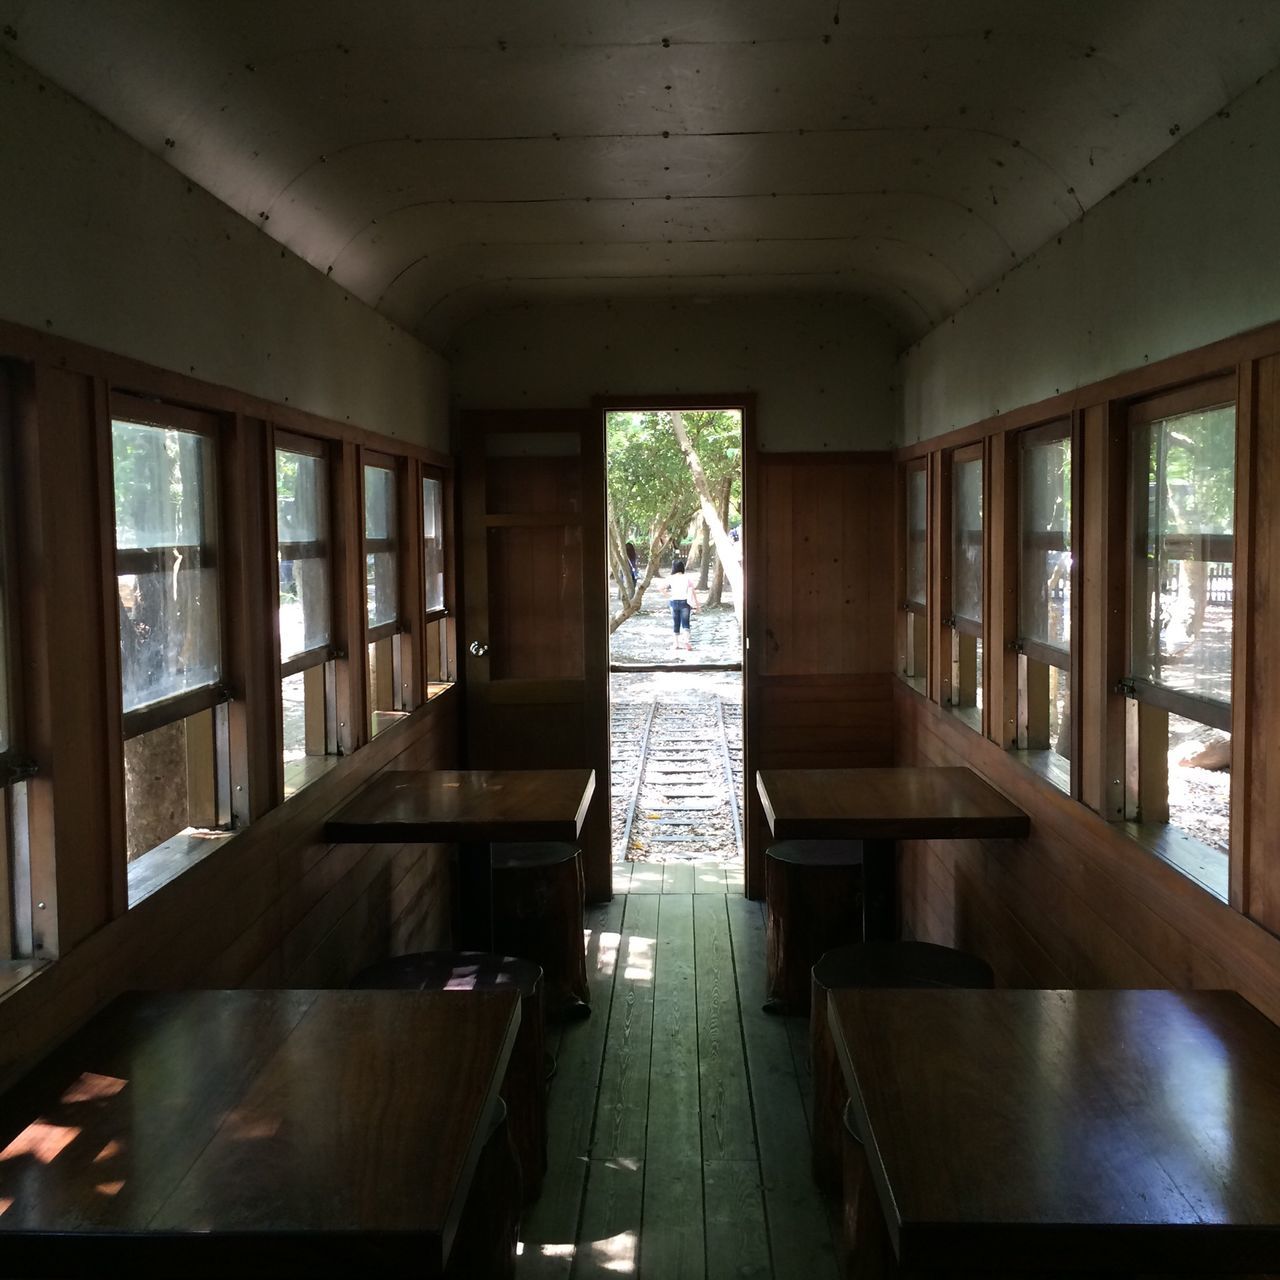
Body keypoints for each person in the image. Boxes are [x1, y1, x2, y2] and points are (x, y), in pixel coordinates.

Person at [664, 556, 700, 651]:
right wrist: (697, 605)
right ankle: (686, 641)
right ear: (682, 568)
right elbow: (693, 591)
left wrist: (668, 595)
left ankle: (675, 643)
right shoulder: (687, 578)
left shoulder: (670, 578)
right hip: (685, 602)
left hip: (673, 602)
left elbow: (660, 588)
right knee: (686, 623)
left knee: (676, 623)